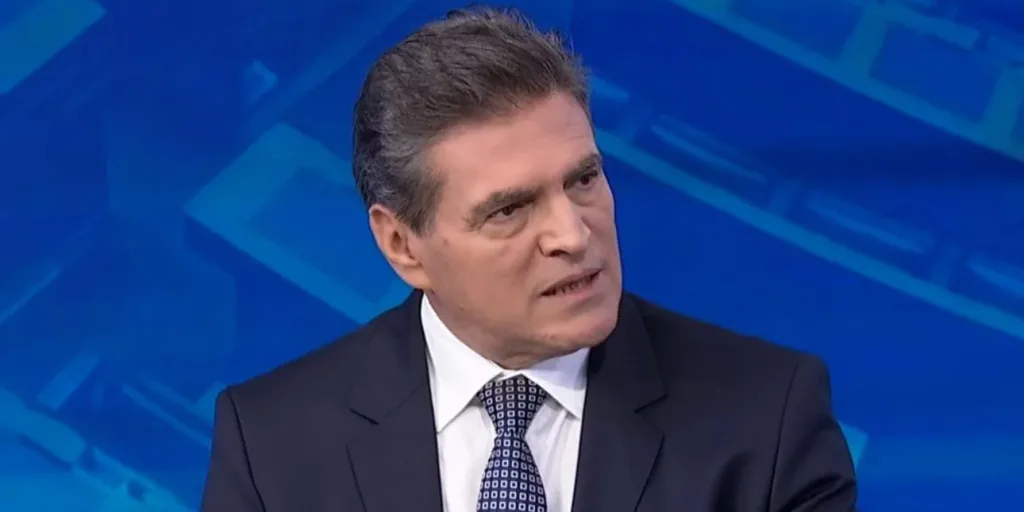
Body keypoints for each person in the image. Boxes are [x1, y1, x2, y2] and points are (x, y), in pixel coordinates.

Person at [199, 6, 858, 512]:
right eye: (510, 210)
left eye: (584, 180)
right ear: (402, 245)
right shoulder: (270, 445)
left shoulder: (770, 421)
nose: (572, 234)